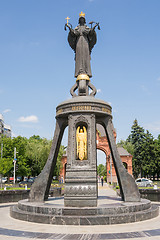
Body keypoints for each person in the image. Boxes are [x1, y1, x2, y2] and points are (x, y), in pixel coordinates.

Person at [66, 12, 98, 78]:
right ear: (79, 20)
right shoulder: (77, 28)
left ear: (84, 20)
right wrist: (69, 28)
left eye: (83, 19)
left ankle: (87, 71)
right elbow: (73, 34)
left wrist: (93, 28)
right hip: (79, 43)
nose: (82, 20)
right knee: (79, 56)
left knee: (86, 55)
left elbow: (91, 33)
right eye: (81, 19)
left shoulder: (86, 27)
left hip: (85, 42)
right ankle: (79, 71)